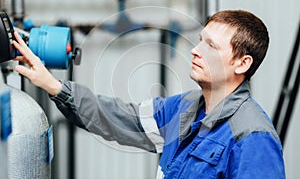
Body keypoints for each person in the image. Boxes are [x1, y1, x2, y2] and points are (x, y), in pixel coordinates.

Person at [12, 10, 285, 178]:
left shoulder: (252, 137)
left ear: (242, 63)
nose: (195, 50)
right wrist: (55, 86)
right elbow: (117, 117)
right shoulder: (183, 108)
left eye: (211, 46)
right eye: (200, 40)